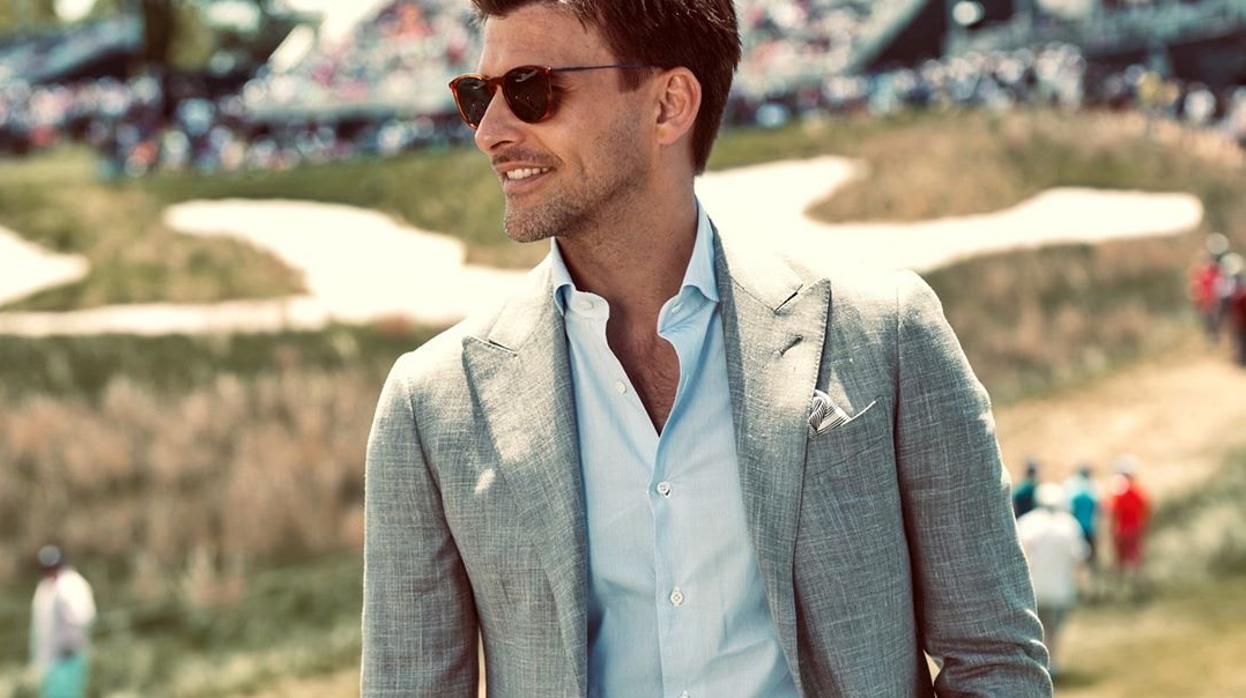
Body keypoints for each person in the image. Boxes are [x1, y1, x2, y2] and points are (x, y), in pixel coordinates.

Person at [361, 1, 1051, 695]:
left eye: (530, 89)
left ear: (669, 104)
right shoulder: (432, 405)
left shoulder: (886, 332)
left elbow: (995, 662)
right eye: (476, 95)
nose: (489, 131)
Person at [1017, 484, 1090, 681]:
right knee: (1054, 630)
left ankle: (1034, 665)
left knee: (1034, 630)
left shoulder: (1027, 522)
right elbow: (1080, 556)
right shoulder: (1069, 525)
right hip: (1060, 589)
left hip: (1033, 588)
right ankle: (1051, 664)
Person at [29, 546, 96, 698]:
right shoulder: (44, 588)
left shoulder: (72, 583)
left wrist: (70, 640)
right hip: (50, 657)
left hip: (69, 654)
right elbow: (39, 625)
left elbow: (85, 616)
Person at [1108, 457, 1151, 600]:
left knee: (1120, 563)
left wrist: (1112, 530)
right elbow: (1145, 512)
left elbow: (1113, 513)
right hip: (1134, 530)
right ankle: (1135, 591)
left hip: (1122, 531)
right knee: (1134, 561)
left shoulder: (1118, 491)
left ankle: (1119, 591)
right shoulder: (1138, 492)